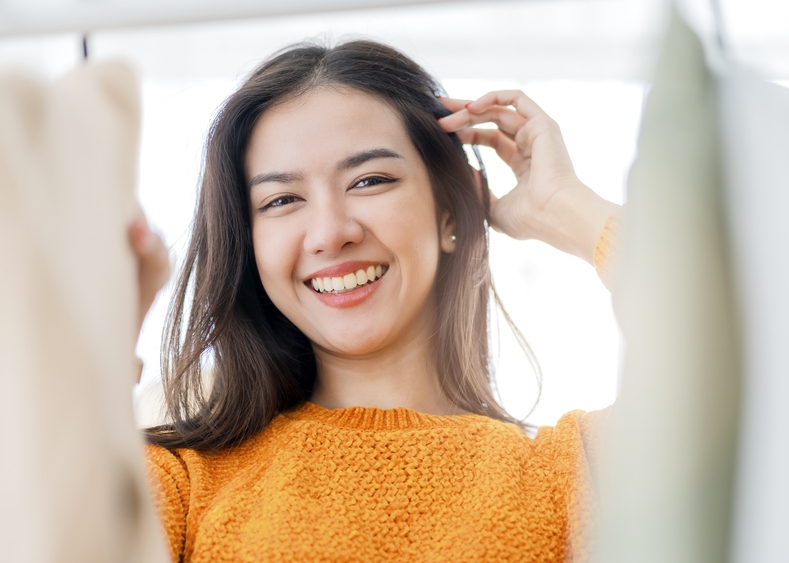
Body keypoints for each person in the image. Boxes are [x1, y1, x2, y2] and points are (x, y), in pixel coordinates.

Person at [129, 39, 621, 562]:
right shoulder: (177, 481)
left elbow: (689, 311)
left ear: (450, 213)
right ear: (248, 245)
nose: (330, 233)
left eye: (369, 181)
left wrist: (563, 206)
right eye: (282, 200)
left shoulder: (580, 472)